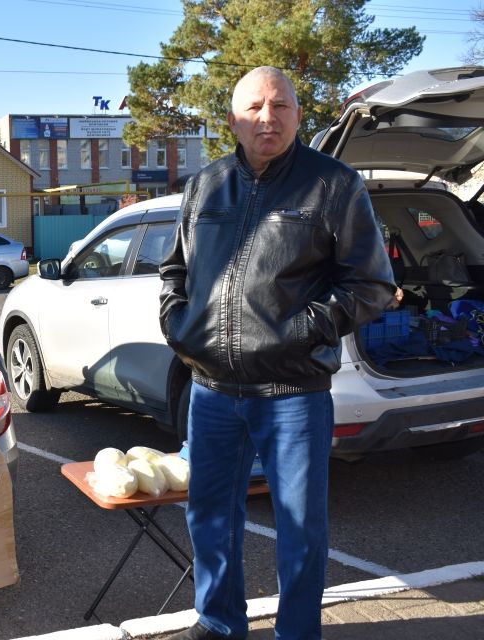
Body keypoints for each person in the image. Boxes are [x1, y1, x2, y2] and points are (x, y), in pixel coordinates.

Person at [159, 67, 396, 640]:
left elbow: (371, 284)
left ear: (298, 112)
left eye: (281, 105)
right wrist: (179, 325)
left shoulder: (334, 186)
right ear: (234, 118)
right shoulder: (205, 185)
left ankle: (297, 632)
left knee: (300, 531)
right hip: (212, 391)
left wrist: (299, 329)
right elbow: (175, 271)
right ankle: (218, 624)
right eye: (255, 107)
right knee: (210, 517)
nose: (269, 117)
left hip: (293, 394)